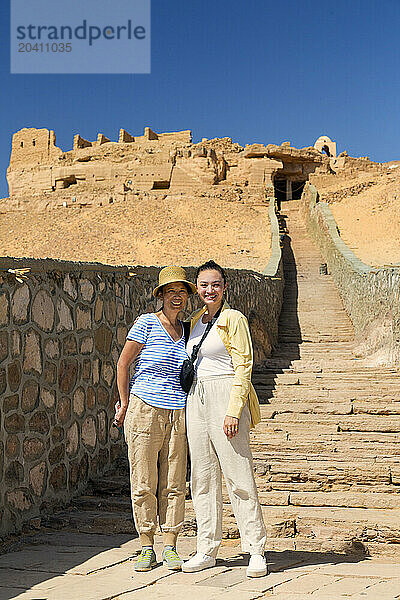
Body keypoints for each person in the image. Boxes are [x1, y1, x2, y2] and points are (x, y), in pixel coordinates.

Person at [182, 260, 267, 578]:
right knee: (202, 478)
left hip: (225, 394)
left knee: (238, 475)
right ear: (197, 287)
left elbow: (244, 365)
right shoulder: (194, 321)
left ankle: (255, 549)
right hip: (197, 399)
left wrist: (234, 409)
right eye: (203, 284)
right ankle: (207, 547)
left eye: (215, 284)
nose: (209, 290)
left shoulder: (233, 318)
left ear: (224, 287)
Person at [115, 266, 197, 572]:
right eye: (170, 292)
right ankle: (146, 545)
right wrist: (124, 403)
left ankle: (171, 545)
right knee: (144, 479)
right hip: (145, 408)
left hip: (179, 411)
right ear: (160, 295)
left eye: (182, 292)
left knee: (175, 481)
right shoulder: (147, 323)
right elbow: (124, 364)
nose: (176, 298)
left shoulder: (188, 331)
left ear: (188, 297)